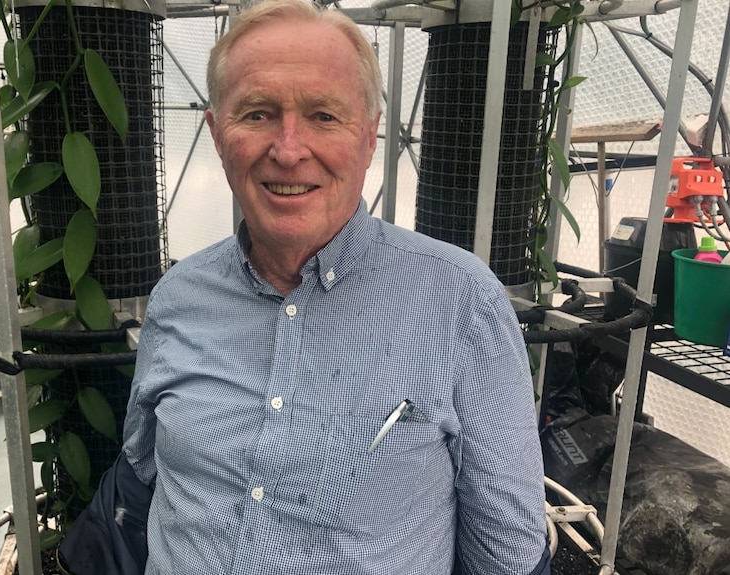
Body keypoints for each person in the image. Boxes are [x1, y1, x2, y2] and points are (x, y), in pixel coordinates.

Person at [121, 1, 550, 573]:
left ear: (370, 137)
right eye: (257, 114)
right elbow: (142, 478)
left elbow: (508, 554)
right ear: (218, 135)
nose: (290, 149)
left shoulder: (461, 302)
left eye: (324, 115)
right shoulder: (177, 297)